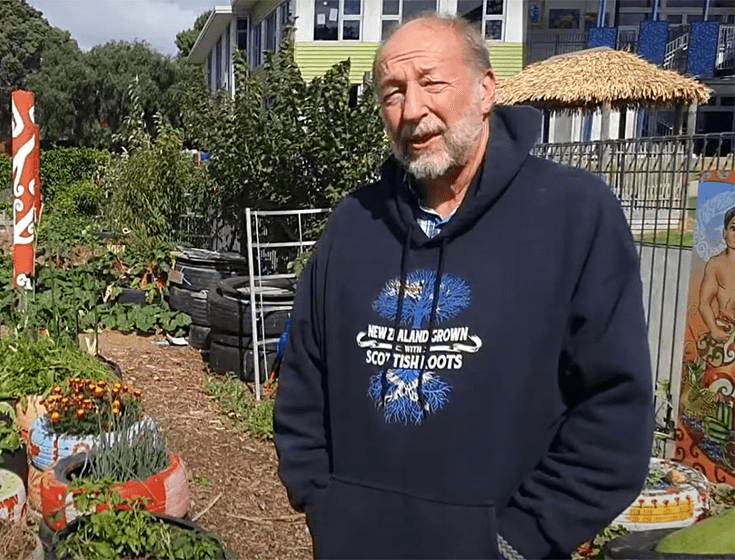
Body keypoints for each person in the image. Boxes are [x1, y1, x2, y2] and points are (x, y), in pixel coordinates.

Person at [273, 13, 654, 560]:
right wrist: (322, 503)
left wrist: (515, 541)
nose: (412, 110)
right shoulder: (354, 223)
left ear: (485, 89)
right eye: (392, 93)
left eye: (432, 82)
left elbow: (615, 407)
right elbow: (303, 375)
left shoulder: (573, 216)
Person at [698, 206, 735, 345]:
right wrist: (714, 330)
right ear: (725, 232)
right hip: (726, 331)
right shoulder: (716, 265)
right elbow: (704, 303)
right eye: (733, 228)